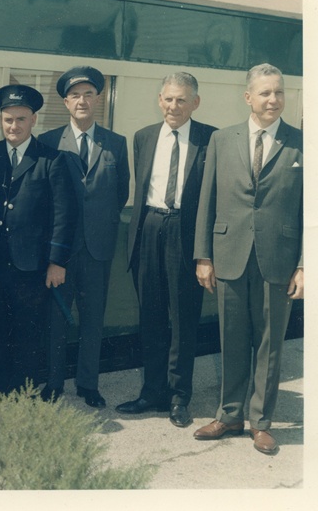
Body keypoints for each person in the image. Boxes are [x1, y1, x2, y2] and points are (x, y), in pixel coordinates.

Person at [192, 63, 303, 455]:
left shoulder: (303, 143)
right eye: (265, 93)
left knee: (270, 344)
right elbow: (207, 199)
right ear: (248, 97)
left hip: (279, 258)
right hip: (230, 254)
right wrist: (203, 255)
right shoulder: (223, 139)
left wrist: (305, 265)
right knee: (232, 338)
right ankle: (229, 415)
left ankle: (262, 422)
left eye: (279, 92)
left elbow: (315, 210)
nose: (273, 99)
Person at [0, 84, 76, 396]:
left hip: (31, 267)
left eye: (21, 119)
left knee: (28, 333)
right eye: (8, 119)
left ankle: (24, 396)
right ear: (1, 120)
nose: (14, 126)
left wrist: (57, 262)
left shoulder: (51, 160)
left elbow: (63, 217)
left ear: (34, 120)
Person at [117, 72, 217, 427]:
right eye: (168, 99)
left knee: (183, 320)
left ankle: (179, 397)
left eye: (181, 100)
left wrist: (206, 253)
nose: (173, 106)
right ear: (160, 99)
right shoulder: (143, 137)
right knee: (151, 316)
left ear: (195, 102)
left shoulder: (210, 139)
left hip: (185, 234)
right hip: (149, 230)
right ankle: (152, 392)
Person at [37, 66, 129, 408]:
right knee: (56, 320)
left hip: (98, 249)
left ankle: (88, 384)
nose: (82, 101)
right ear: (65, 102)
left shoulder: (115, 144)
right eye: (75, 95)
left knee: (93, 319)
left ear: (98, 100)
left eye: (89, 94)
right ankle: (54, 383)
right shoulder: (48, 143)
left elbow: (120, 194)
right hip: (62, 251)